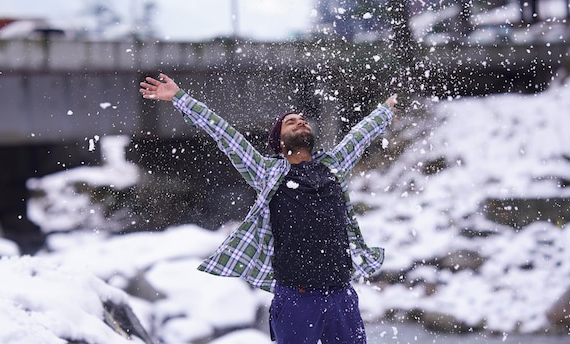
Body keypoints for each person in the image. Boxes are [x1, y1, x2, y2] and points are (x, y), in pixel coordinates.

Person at [139, 73, 397, 344]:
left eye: (303, 120)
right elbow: (225, 134)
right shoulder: (266, 172)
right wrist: (181, 98)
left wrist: (386, 110)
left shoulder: (334, 166)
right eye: (291, 122)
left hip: (341, 295)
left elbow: (361, 135)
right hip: (297, 297)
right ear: (281, 142)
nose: (301, 122)